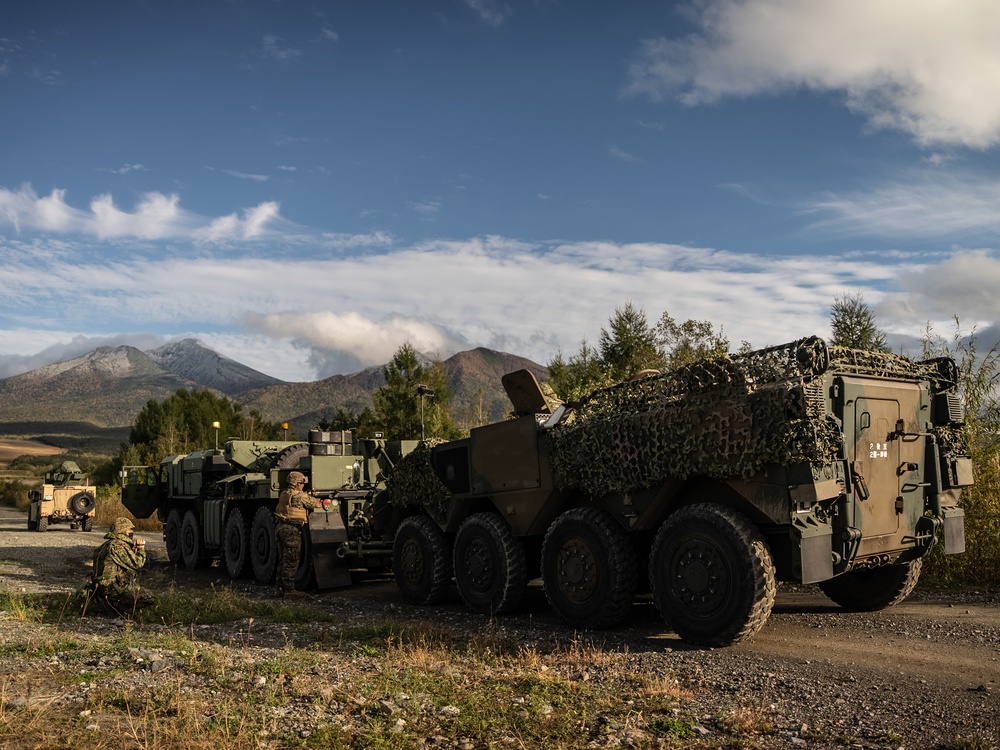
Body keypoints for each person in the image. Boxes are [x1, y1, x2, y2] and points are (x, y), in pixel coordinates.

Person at [81, 517, 154, 615]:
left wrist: (133, 551)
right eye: (129, 529)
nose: (131, 532)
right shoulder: (118, 546)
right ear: (122, 531)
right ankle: (119, 610)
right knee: (148, 598)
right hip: (112, 588)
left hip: (100, 588)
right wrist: (141, 549)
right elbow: (137, 563)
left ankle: (109, 606)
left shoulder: (106, 545)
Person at [273, 470, 317, 598]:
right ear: (297, 483)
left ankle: (279, 588)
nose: (303, 485)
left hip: (281, 527)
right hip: (291, 530)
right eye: (302, 483)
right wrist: (310, 495)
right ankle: (289, 590)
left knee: (283, 560)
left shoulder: (284, 493)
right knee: (292, 560)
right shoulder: (300, 495)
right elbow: (314, 503)